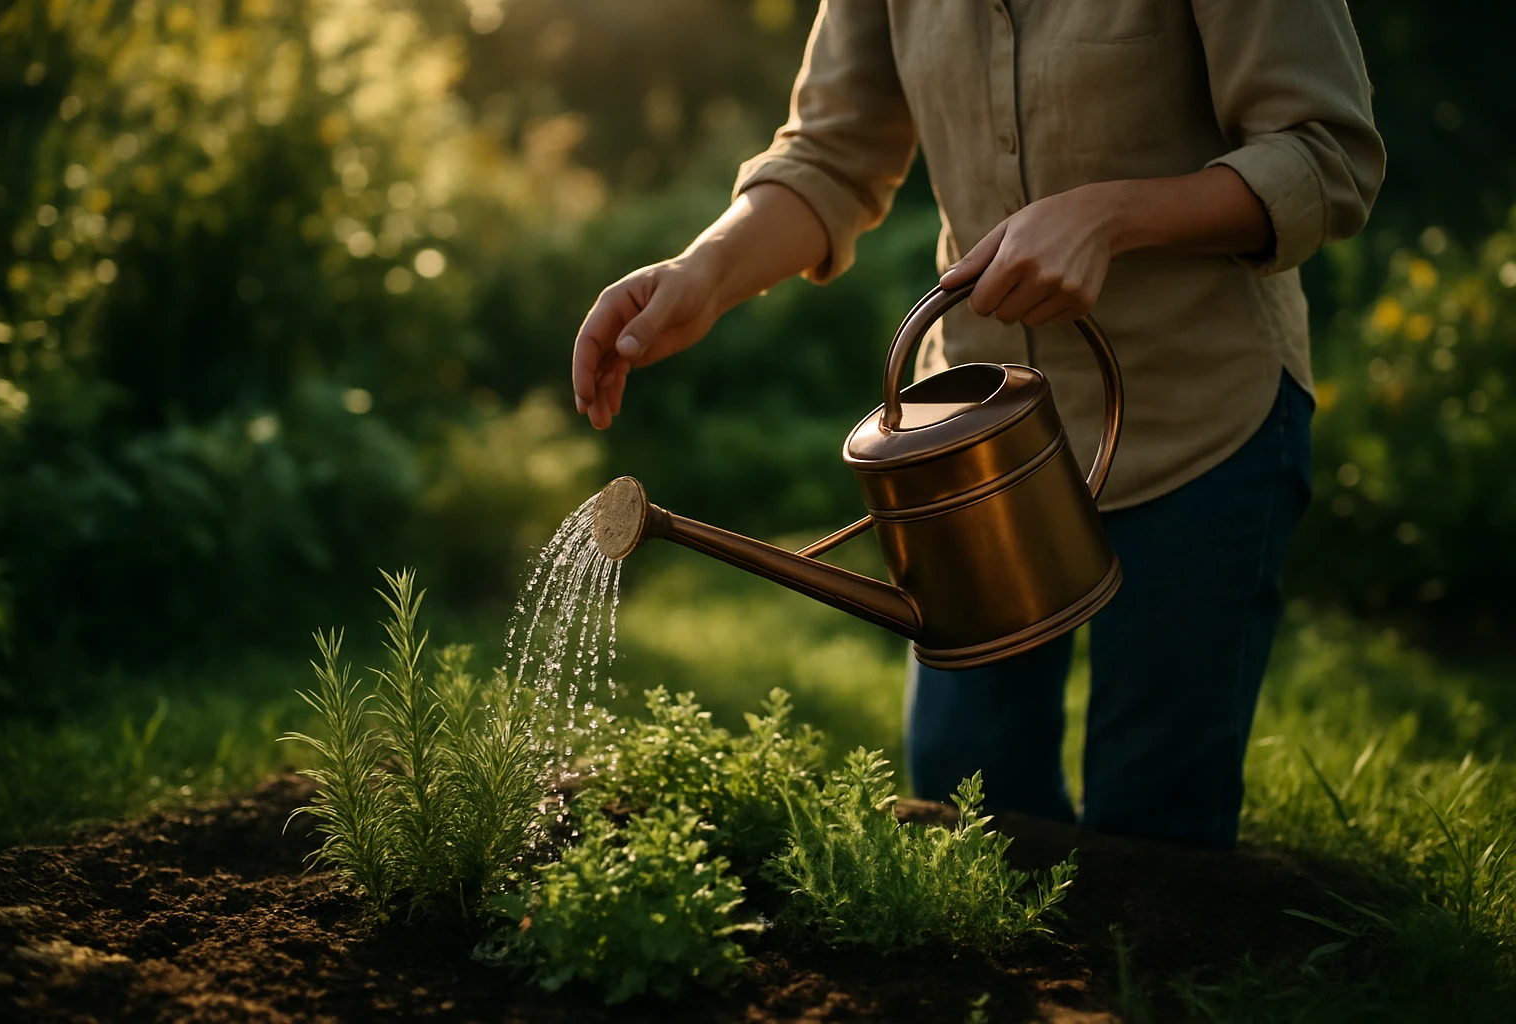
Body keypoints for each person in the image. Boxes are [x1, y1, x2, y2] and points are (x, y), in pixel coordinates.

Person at [570, 1, 1385, 850]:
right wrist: (703, 273)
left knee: (1155, 827)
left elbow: (1327, 155)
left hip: (1200, 420)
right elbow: (832, 155)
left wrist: (1108, 216)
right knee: (971, 806)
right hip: (970, 455)